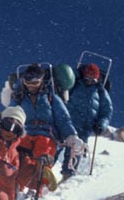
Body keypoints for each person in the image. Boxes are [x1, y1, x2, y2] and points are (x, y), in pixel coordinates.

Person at [10, 63, 84, 192]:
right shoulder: (20, 97)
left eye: (35, 83)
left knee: (43, 154)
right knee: (20, 158)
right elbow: (11, 115)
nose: (31, 87)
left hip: (47, 134)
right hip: (26, 132)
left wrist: (71, 135)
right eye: (28, 83)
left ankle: (40, 183)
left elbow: (63, 118)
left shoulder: (51, 98)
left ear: (41, 81)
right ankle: (17, 187)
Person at [61, 63, 113, 180]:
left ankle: (67, 175)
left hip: (84, 127)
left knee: (75, 151)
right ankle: (44, 174)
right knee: (55, 146)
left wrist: (101, 125)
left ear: (97, 78)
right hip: (67, 122)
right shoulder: (75, 84)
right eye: (87, 78)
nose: (89, 81)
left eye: (93, 79)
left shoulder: (100, 91)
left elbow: (106, 111)